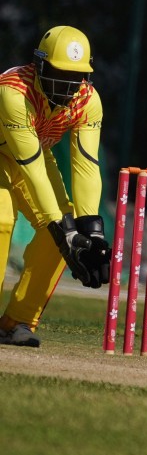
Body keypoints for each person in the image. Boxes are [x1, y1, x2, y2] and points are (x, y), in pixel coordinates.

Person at [0, 25, 111, 347]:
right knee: (4, 219)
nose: (67, 86)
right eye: (59, 74)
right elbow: (30, 164)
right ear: (39, 66)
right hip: (19, 154)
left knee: (60, 231)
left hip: (32, 153)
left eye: (75, 77)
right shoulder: (14, 90)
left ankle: (15, 322)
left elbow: (87, 165)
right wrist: (65, 231)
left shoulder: (88, 101)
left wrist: (91, 230)